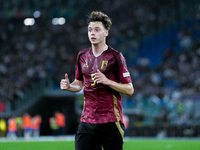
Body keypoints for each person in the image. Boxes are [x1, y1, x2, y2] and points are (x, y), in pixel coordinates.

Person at [60, 11, 134, 150]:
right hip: (87, 120)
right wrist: (69, 86)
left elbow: (130, 89)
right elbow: (79, 84)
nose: (92, 33)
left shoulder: (116, 57)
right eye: (90, 30)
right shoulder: (82, 56)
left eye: (97, 30)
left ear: (106, 32)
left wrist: (107, 81)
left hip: (110, 120)